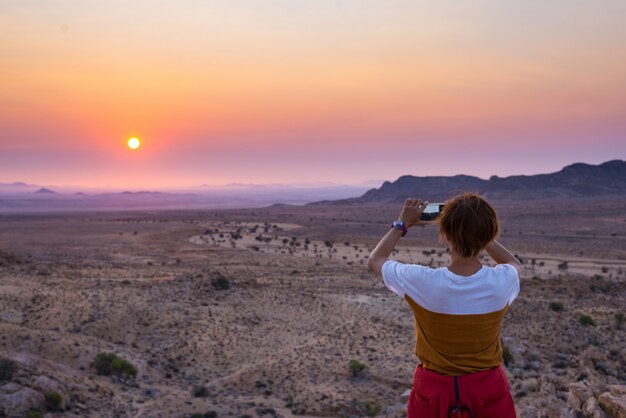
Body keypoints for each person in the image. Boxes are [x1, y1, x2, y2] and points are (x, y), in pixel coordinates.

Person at [367, 193, 520, 417]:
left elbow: (375, 260)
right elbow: (513, 263)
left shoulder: (424, 282)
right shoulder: (502, 281)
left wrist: (402, 224)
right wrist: (477, 230)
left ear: (446, 235)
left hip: (434, 395)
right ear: (489, 233)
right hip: (488, 392)